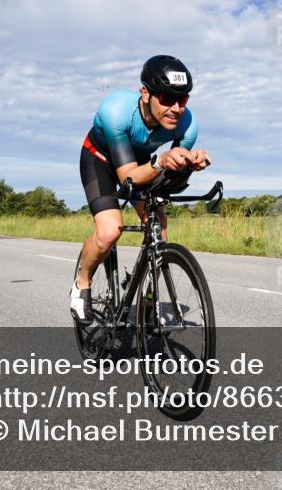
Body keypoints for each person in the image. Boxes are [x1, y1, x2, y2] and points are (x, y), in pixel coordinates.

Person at [70, 55, 211, 323]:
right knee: (110, 231)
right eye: (167, 99)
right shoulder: (115, 110)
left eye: (183, 100)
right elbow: (128, 180)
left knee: (159, 229)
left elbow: (170, 181)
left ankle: (147, 298)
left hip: (141, 164)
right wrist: (161, 162)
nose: (177, 109)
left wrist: (188, 166)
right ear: (145, 94)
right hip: (99, 160)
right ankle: (82, 281)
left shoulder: (187, 125)